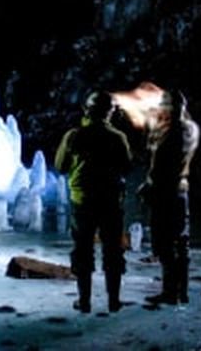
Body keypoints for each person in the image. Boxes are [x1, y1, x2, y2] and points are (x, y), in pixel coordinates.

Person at [55, 91, 133, 313]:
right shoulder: (118, 137)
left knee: (82, 250)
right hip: (110, 201)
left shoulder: (74, 136)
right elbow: (127, 166)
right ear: (110, 112)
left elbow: (60, 166)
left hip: (83, 200)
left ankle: (84, 301)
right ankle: (114, 301)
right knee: (113, 250)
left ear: (86, 110)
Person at [141, 90, 199, 305]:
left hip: (165, 191)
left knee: (165, 243)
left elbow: (156, 162)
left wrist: (148, 186)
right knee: (181, 242)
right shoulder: (191, 129)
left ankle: (170, 292)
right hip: (181, 189)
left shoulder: (169, 133)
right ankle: (181, 291)